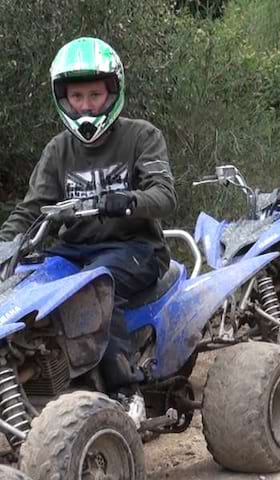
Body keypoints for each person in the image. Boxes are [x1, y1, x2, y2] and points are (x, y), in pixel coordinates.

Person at [0, 37, 177, 392]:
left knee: (96, 286)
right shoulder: (58, 150)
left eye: (94, 96)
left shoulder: (141, 136)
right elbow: (31, 208)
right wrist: (6, 246)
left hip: (136, 248)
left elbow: (164, 195)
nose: (85, 107)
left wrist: (128, 200)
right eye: (77, 97)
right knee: (20, 287)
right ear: (63, 98)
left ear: (112, 93)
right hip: (72, 251)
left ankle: (123, 394)